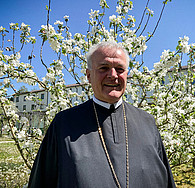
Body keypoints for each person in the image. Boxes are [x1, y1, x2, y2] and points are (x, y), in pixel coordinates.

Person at [28, 41, 176, 188]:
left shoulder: (147, 121)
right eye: (104, 68)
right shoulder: (64, 123)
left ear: (126, 74)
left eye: (119, 69)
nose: (113, 75)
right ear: (88, 75)